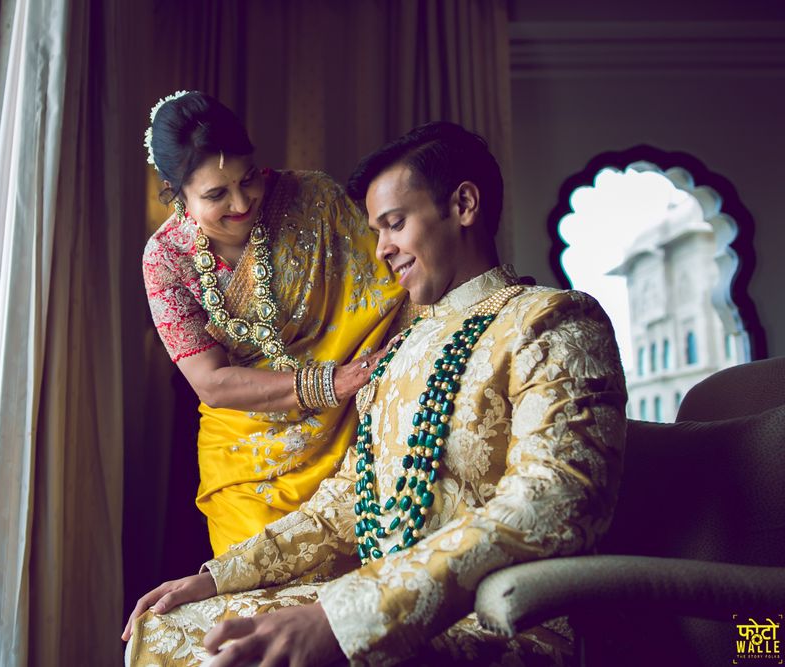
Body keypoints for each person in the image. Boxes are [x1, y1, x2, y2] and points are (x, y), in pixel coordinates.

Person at [123, 120, 628, 666]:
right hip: (386, 604)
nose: (380, 249)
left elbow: (556, 500)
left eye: (394, 224)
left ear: (462, 205)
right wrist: (215, 577)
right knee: (170, 628)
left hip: (498, 620)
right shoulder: (404, 348)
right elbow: (349, 502)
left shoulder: (550, 320)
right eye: (377, 230)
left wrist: (347, 616)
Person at [142, 91, 406, 556]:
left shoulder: (314, 199)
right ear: (175, 192)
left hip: (351, 429)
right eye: (215, 194)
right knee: (256, 601)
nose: (242, 202)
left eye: (248, 179)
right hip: (246, 462)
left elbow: (395, 281)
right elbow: (212, 383)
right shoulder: (165, 259)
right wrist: (329, 383)